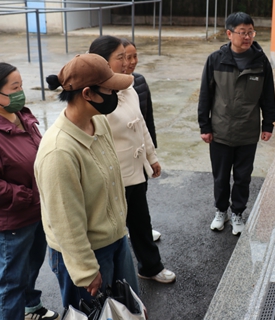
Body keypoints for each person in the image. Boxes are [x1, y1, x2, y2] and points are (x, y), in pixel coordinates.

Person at [34, 54, 139, 309]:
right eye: (110, 90)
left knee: (128, 310)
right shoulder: (59, 151)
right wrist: (85, 270)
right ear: (88, 94)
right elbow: (65, 220)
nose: (115, 94)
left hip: (116, 240)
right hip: (87, 253)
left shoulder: (98, 122)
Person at [0, 63, 59, 320]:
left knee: (30, 267)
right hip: (11, 221)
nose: (21, 93)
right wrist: (31, 197)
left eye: (21, 86)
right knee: (11, 282)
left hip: (35, 212)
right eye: (15, 88)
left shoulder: (20, 115)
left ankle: (30, 306)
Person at [89, 35, 175, 284]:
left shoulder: (129, 87)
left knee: (140, 221)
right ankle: (107, 280)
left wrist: (151, 157)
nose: (128, 63)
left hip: (135, 172)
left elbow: (141, 125)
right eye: (121, 58)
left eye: (129, 57)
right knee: (111, 231)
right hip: (111, 176)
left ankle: (150, 266)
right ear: (102, 62)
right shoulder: (93, 97)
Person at [198, 12, 275, 235]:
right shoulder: (216, 60)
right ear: (229, 34)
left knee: (243, 177)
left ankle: (238, 213)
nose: (247, 37)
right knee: (221, 177)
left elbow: (268, 95)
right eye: (242, 32)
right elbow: (205, 94)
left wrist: (268, 124)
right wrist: (205, 126)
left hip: (247, 131)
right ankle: (221, 211)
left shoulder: (261, 62)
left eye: (250, 32)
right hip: (220, 130)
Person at [122, 38, 161, 242]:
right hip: (123, 156)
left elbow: (147, 119)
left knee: (141, 193)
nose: (132, 62)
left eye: (135, 56)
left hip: (141, 149)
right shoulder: (108, 90)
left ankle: (141, 229)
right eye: (127, 57)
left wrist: (151, 152)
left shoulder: (139, 82)